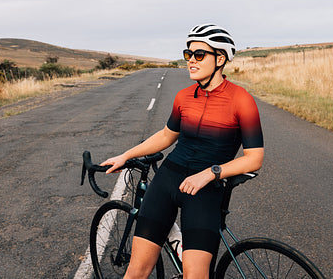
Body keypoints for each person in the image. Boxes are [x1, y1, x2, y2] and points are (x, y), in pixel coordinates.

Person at [101, 23, 264, 279]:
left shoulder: (241, 100)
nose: (191, 61)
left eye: (200, 55)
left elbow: (254, 158)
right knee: (136, 271)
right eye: (189, 54)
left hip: (205, 190)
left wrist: (211, 173)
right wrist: (126, 155)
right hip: (167, 181)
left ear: (220, 58)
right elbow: (167, 135)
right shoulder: (184, 97)